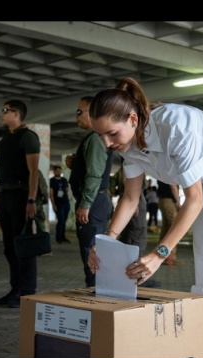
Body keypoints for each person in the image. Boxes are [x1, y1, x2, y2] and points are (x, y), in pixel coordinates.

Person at [87, 78, 203, 358]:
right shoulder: (128, 146)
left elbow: (193, 200)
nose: (108, 143)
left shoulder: (176, 126)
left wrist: (159, 253)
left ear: (133, 119)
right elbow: (131, 198)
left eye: (111, 134)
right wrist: (107, 240)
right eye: (102, 137)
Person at [0, 99, 40, 309]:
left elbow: (33, 172)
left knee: (23, 246)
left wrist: (31, 200)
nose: (1, 114)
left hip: (21, 196)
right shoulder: (6, 139)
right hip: (6, 196)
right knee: (10, 247)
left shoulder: (28, 137)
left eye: (5, 111)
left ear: (16, 114)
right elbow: (1, 173)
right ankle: (15, 288)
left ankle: (26, 291)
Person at [66, 96, 113, 288]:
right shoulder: (92, 138)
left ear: (93, 113)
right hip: (95, 201)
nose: (76, 116)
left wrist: (85, 204)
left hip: (93, 203)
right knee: (92, 251)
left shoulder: (95, 138)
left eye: (80, 112)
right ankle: (96, 291)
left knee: (92, 252)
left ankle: (97, 293)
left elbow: (95, 174)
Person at [109, 160, 161, 288]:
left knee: (128, 235)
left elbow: (114, 188)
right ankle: (136, 276)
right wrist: (135, 202)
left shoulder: (124, 168)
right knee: (138, 235)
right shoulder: (131, 162)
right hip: (134, 198)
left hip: (131, 197)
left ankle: (127, 274)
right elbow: (127, 183)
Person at [156, 180, 183, 265]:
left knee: (166, 228)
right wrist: (179, 203)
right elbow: (173, 187)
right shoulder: (171, 169)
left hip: (162, 200)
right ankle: (170, 257)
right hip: (169, 201)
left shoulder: (161, 169)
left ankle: (161, 256)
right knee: (174, 228)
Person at [49, 165, 71, 244]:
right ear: (54, 171)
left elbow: (67, 190)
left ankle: (63, 236)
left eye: (59, 171)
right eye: (57, 171)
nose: (58, 172)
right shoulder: (51, 181)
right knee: (60, 220)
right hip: (58, 204)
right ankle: (58, 237)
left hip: (66, 203)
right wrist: (53, 204)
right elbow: (51, 194)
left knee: (64, 220)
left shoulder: (64, 180)